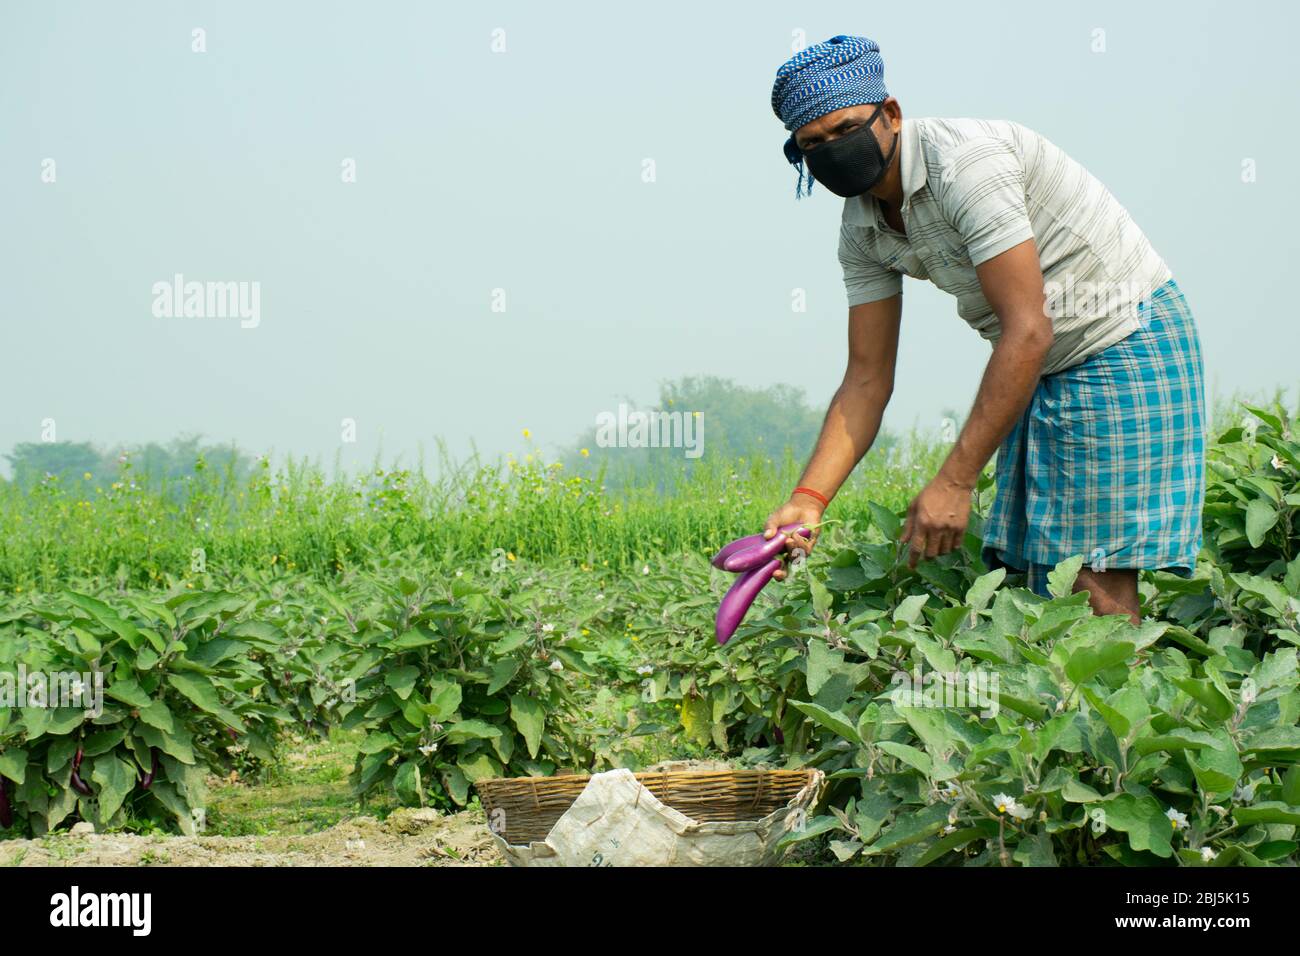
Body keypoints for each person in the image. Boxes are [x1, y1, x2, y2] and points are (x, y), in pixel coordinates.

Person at [761, 35, 1206, 624]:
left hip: (1120, 336)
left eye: (843, 130)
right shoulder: (862, 226)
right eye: (812, 145)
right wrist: (808, 499)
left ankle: (1124, 710)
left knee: (1090, 578)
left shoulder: (966, 167)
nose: (831, 151)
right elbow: (867, 377)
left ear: (890, 114)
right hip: (1042, 360)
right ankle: (1072, 706)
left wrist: (954, 481)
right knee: (1042, 569)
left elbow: (1027, 330)